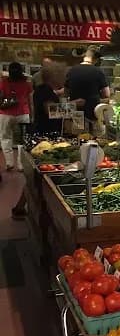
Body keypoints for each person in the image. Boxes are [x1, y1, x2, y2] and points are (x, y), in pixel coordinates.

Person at [11, 63, 64, 219]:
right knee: (37, 177)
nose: (63, 77)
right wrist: (73, 107)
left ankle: (20, 208)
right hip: (46, 137)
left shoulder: (42, 89)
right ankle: (22, 208)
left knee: (36, 177)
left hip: (41, 134)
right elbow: (50, 111)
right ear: (53, 76)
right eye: (61, 74)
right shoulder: (46, 91)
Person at [0, 62, 33, 172]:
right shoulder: (26, 83)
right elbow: (30, 101)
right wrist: (32, 115)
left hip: (5, 114)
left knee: (5, 138)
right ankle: (21, 164)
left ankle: (9, 163)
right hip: (23, 114)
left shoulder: (4, 82)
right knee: (21, 141)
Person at [65, 47, 109, 126]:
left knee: (76, 135)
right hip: (94, 114)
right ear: (96, 59)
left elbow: (65, 93)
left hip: (76, 114)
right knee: (94, 137)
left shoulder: (71, 71)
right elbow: (106, 94)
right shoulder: (98, 71)